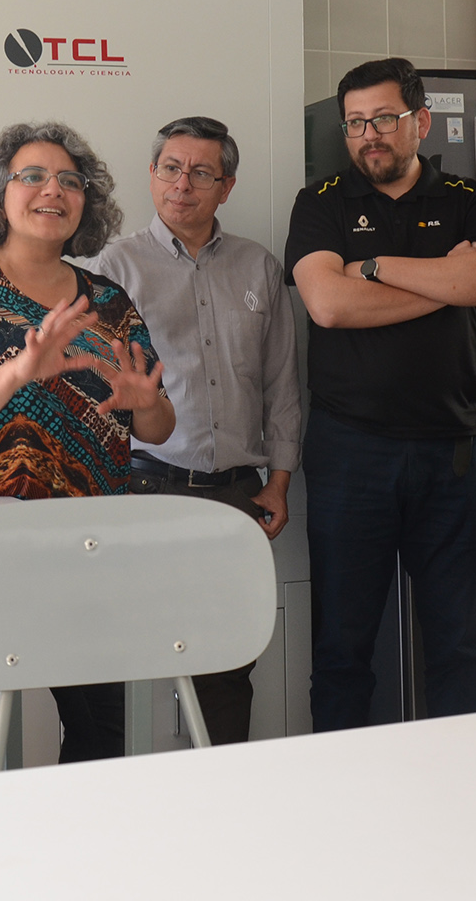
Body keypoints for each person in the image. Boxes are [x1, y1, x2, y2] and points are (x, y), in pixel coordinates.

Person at [0, 120, 172, 772]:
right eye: (33, 176)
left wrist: (145, 402)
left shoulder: (109, 302)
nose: (54, 190)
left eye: (70, 180)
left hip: (87, 551)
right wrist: (19, 370)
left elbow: (157, 428)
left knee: (105, 732)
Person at [284, 57, 476, 731]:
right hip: (350, 453)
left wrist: (377, 268)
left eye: (383, 119)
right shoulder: (320, 201)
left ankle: (457, 782)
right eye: (355, 123)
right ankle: (343, 788)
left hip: (455, 452)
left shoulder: (467, 196)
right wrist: (444, 282)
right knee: (342, 651)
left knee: (457, 647)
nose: (369, 136)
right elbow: (328, 304)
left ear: (421, 122)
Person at [86, 115, 302, 744]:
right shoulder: (112, 267)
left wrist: (279, 479)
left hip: (237, 496)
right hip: (145, 492)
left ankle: (220, 791)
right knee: (128, 662)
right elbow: (92, 392)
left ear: (226, 187)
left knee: (228, 664)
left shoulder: (259, 267)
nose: (183, 184)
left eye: (202, 173)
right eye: (172, 169)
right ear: (152, 175)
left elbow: (281, 383)